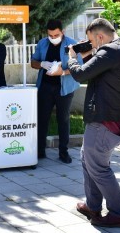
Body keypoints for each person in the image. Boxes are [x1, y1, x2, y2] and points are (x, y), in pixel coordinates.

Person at [68, 18, 120, 228]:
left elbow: (81, 74)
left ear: (100, 36)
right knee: (87, 159)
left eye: (92, 40)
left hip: (106, 119)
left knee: (98, 167)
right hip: (115, 117)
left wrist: (73, 58)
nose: (93, 45)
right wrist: (89, 54)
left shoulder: (110, 52)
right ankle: (93, 205)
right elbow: (102, 74)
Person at [30, 19, 82, 163]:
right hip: (45, 87)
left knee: (63, 120)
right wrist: (42, 64)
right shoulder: (42, 43)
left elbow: (79, 67)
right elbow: (33, 63)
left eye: (56, 35)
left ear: (62, 32)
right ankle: (40, 151)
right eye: (50, 36)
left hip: (64, 88)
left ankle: (63, 152)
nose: (53, 38)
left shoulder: (72, 44)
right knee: (42, 119)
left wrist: (62, 72)